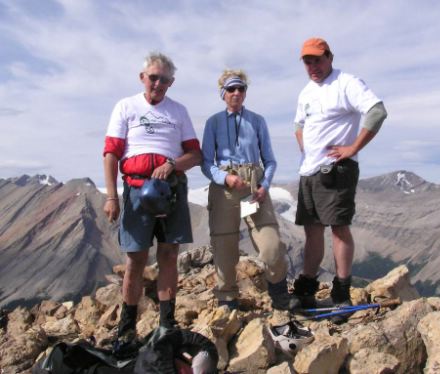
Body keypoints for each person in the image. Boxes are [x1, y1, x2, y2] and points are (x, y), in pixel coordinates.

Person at [102, 52, 202, 352]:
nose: (157, 83)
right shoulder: (126, 106)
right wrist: (111, 197)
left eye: (164, 79)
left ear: (171, 83)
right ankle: (127, 329)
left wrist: (172, 163)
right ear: (142, 77)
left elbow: (195, 155)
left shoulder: (179, 112)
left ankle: (166, 325)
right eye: (152, 77)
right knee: (136, 259)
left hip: (170, 189)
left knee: (170, 254)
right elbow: (111, 153)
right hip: (135, 189)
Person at [291, 38, 388, 319]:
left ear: (329, 57)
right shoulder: (306, 92)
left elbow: (377, 111)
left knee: (338, 229)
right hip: (309, 170)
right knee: (312, 230)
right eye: (307, 61)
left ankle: (342, 294)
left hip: (335, 171)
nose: (313, 66)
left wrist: (353, 148)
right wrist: (306, 148)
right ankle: (307, 289)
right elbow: (299, 123)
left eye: (317, 60)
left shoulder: (346, 83)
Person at [201, 69, 300, 311]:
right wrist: (225, 178)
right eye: (231, 89)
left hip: (253, 188)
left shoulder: (257, 121)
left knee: (271, 243)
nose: (237, 93)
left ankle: (279, 296)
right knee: (224, 245)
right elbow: (205, 162)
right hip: (225, 189)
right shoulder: (212, 123)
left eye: (241, 88)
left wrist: (264, 186)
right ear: (222, 94)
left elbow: (270, 160)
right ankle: (228, 300)